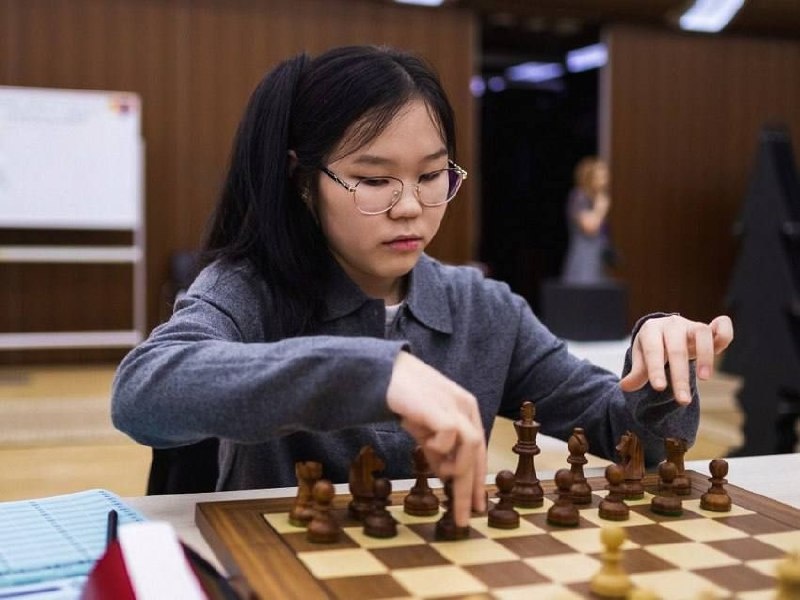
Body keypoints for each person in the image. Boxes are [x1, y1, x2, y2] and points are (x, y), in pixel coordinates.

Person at [111, 45, 733, 528]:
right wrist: (370, 373)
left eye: (433, 176)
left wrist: (660, 370)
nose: (410, 207)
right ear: (303, 182)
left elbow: (630, 439)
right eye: (374, 180)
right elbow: (143, 395)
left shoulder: (484, 309)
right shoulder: (253, 288)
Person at [561, 156, 614, 284]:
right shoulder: (579, 197)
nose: (605, 180)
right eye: (601, 176)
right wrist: (601, 207)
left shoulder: (595, 199)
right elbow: (590, 227)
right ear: (589, 177)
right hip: (584, 259)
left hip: (597, 259)